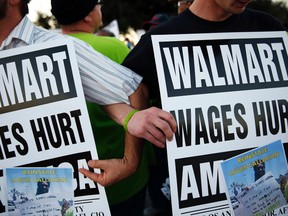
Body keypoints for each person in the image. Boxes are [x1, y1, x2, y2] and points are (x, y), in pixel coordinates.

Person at [122, 0, 287, 214]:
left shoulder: (268, 28)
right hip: (202, 195)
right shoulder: (162, 39)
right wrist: (130, 158)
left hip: (269, 192)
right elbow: (129, 85)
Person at [0, 0, 177, 187]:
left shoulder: (59, 47)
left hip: (69, 186)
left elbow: (133, 90)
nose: (99, 10)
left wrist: (129, 159)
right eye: (97, 6)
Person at [50, 0, 149, 215]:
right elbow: (140, 100)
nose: (100, 9)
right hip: (123, 180)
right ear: (87, 15)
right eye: (97, 4)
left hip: (73, 184)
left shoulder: (46, 51)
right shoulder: (112, 46)